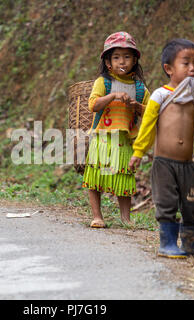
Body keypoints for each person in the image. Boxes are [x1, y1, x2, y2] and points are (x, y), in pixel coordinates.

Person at [129, 38, 194, 258]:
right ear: (169, 68)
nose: (193, 68)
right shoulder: (161, 95)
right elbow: (148, 126)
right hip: (164, 163)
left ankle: (191, 243)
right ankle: (167, 243)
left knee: (193, 203)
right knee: (166, 203)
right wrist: (139, 152)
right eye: (185, 63)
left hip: (188, 165)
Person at [82, 31, 150, 228]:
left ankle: (125, 218)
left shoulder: (140, 89)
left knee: (125, 176)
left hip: (125, 140)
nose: (122, 61)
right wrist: (112, 97)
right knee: (95, 175)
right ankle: (97, 216)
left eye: (127, 56)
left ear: (135, 60)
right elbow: (93, 105)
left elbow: (151, 112)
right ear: (108, 63)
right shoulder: (103, 82)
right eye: (117, 57)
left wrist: (136, 106)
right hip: (102, 137)